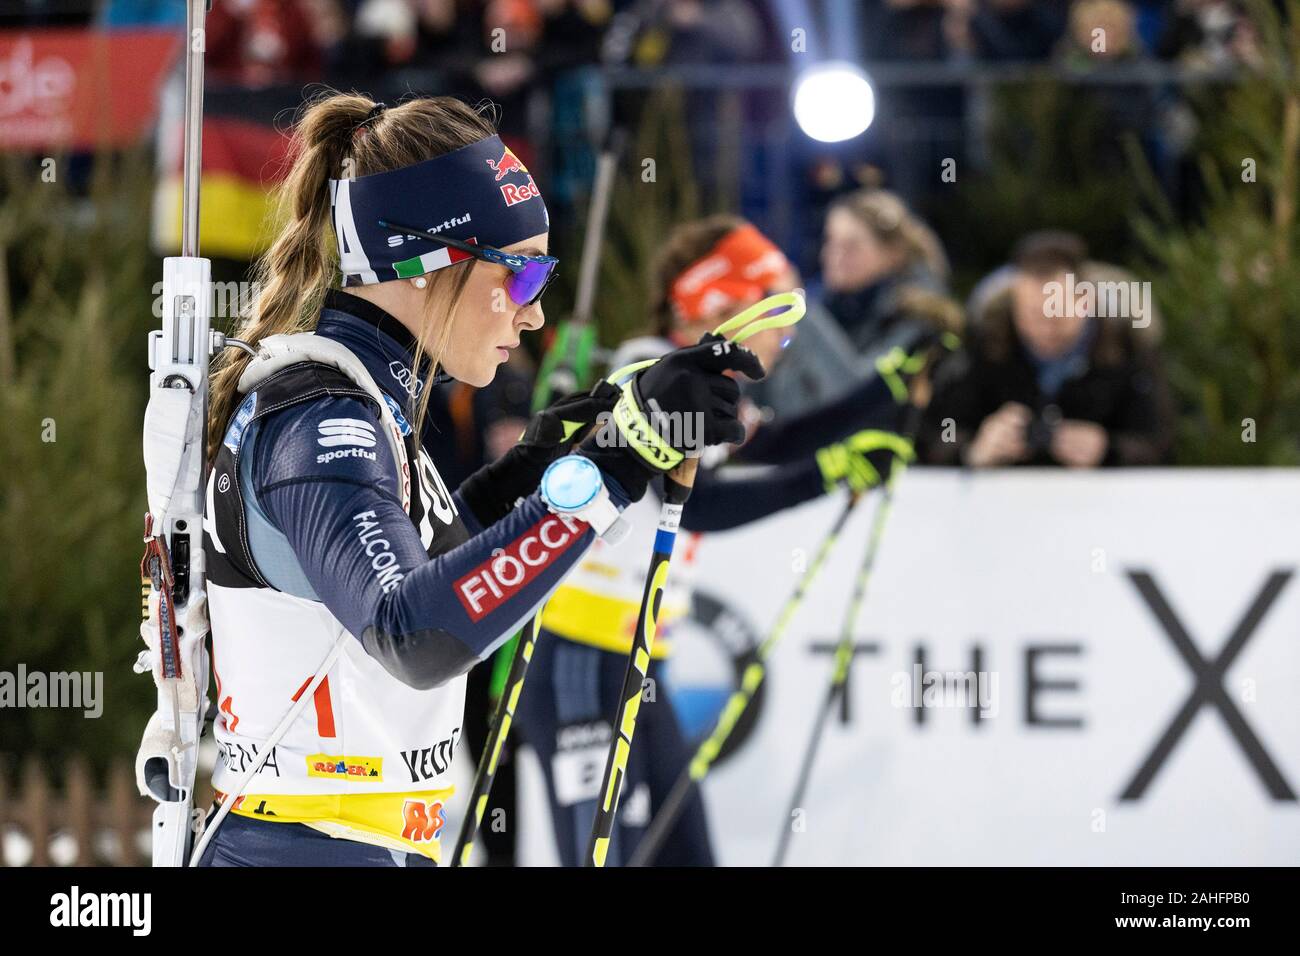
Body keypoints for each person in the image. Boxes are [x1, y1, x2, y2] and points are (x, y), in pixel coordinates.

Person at [195, 93, 764, 867]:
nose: (533, 315)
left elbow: (419, 564)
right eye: (525, 276)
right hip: (302, 848)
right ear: (433, 260)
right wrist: (615, 467)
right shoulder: (323, 422)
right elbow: (413, 632)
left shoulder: (371, 412)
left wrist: (536, 466)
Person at [515, 215, 949, 867]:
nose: (787, 337)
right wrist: (827, 475)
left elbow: (766, 443)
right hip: (582, 659)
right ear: (719, 309)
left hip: (637, 660)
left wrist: (877, 396)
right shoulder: (650, 373)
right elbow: (700, 506)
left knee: (687, 855)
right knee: (611, 856)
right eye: (774, 314)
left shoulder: (701, 388)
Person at [918, 230, 1174, 468]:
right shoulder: (983, 345)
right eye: (1032, 316)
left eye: (1057, 317)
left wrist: (1108, 449)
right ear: (1014, 305)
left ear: (1085, 301)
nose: (1045, 330)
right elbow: (936, 432)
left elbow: (1159, 441)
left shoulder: (1126, 346)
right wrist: (973, 448)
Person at [819, 188, 951, 361]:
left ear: (893, 253)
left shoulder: (920, 311)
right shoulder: (835, 299)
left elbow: (862, 383)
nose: (834, 256)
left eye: (852, 247)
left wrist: (806, 322)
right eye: (830, 240)